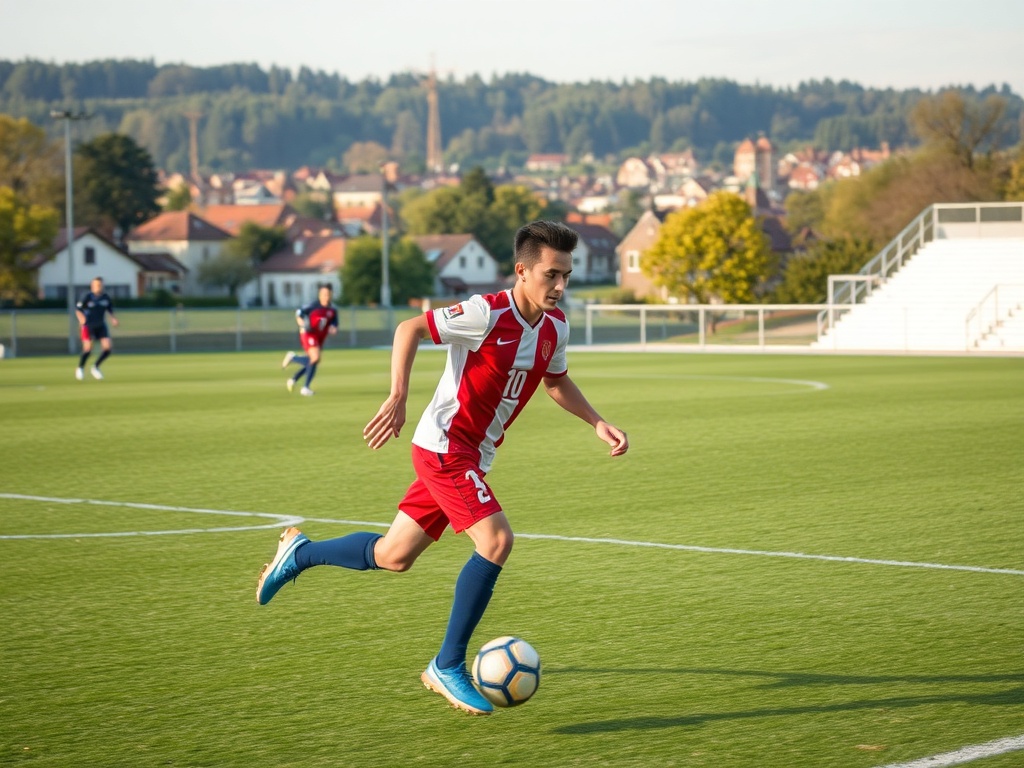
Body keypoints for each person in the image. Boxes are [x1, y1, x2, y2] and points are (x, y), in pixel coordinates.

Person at [255, 220, 629, 715]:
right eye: (551, 274)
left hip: (474, 456)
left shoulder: (555, 327)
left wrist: (596, 422)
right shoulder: (485, 312)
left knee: (393, 555)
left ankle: (299, 554)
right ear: (522, 271)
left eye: (567, 275)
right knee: (496, 542)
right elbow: (409, 328)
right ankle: (447, 664)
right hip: (444, 448)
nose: (560, 286)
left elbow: (555, 381)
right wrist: (398, 395)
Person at [281, 283, 339, 396]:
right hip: (309, 334)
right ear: (320, 295)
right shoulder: (313, 305)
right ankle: (305, 388)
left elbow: (334, 324)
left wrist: (334, 328)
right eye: (324, 294)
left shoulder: (332, 310)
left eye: (328, 294)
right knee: (315, 358)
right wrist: (301, 323)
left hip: (320, 338)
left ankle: (294, 376)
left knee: (313, 361)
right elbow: (299, 313)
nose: (326, 296)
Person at [74, 276, 119, 380]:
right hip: (88, 326)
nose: (99, 286)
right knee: (88, 349)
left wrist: (113, 319)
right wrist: (82, 319)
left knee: (107, 349)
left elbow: (110, 309)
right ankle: (80, 368)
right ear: (92, 285)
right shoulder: (87, 297)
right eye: (97, 284)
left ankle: (95, 367)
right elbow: (78, 310)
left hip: (101, 325)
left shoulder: (105, 297)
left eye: (100, 284)